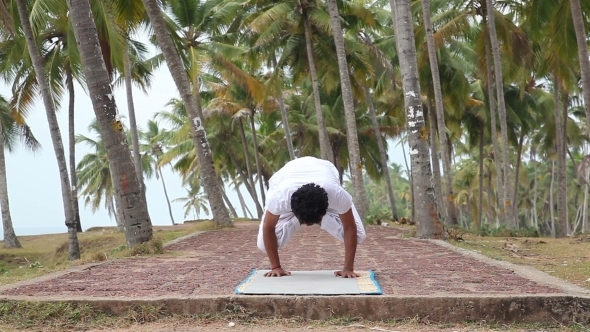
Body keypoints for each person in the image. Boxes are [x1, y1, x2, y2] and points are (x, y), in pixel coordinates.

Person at [256, 156, 366, 278]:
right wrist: (276, 267)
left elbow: (350, 227)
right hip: (285, 176)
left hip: (325, 169)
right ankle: (305, 216)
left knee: (358, 236)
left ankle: (311, 216)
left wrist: (348, 268)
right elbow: (268, 227)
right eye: (305, 221)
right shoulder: (279, 197)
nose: (308, 226)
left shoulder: (337, 195)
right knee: (263, 244)